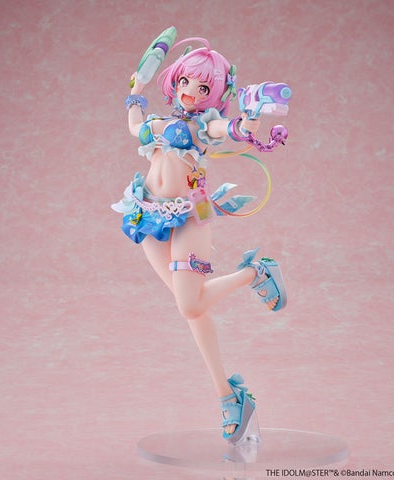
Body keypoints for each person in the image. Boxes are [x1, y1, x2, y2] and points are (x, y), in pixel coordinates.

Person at [112, 31, 287, 444]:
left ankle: (256, 273)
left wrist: (247, 123)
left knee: (190, 303)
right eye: (187, 81)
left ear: (216, 93)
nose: (191, 91)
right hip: (148, 214)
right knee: (191, 310)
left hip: (191, 214)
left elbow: (230, 128)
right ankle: (230, 397)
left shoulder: (204, 125)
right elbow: (135, 126)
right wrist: (136, 91)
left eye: (204, 87)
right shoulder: (157, 122)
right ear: (175, 79)